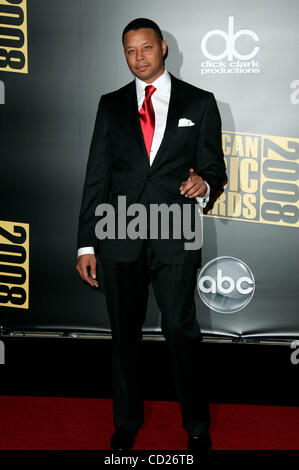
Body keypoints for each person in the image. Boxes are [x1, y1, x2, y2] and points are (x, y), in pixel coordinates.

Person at [76, 17, 227, 453]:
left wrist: (206, 185)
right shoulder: (110, 105)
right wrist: (86, 243)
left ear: (163, 48)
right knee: (124, 333)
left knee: (181, 329)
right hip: (119, 231)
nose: (138, 58)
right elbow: (95, 178)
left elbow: (214, 168)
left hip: (176, 229)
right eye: (130, 51)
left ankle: (197, 424)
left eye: (145, 48)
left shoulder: (199, 103)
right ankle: (126, 421)